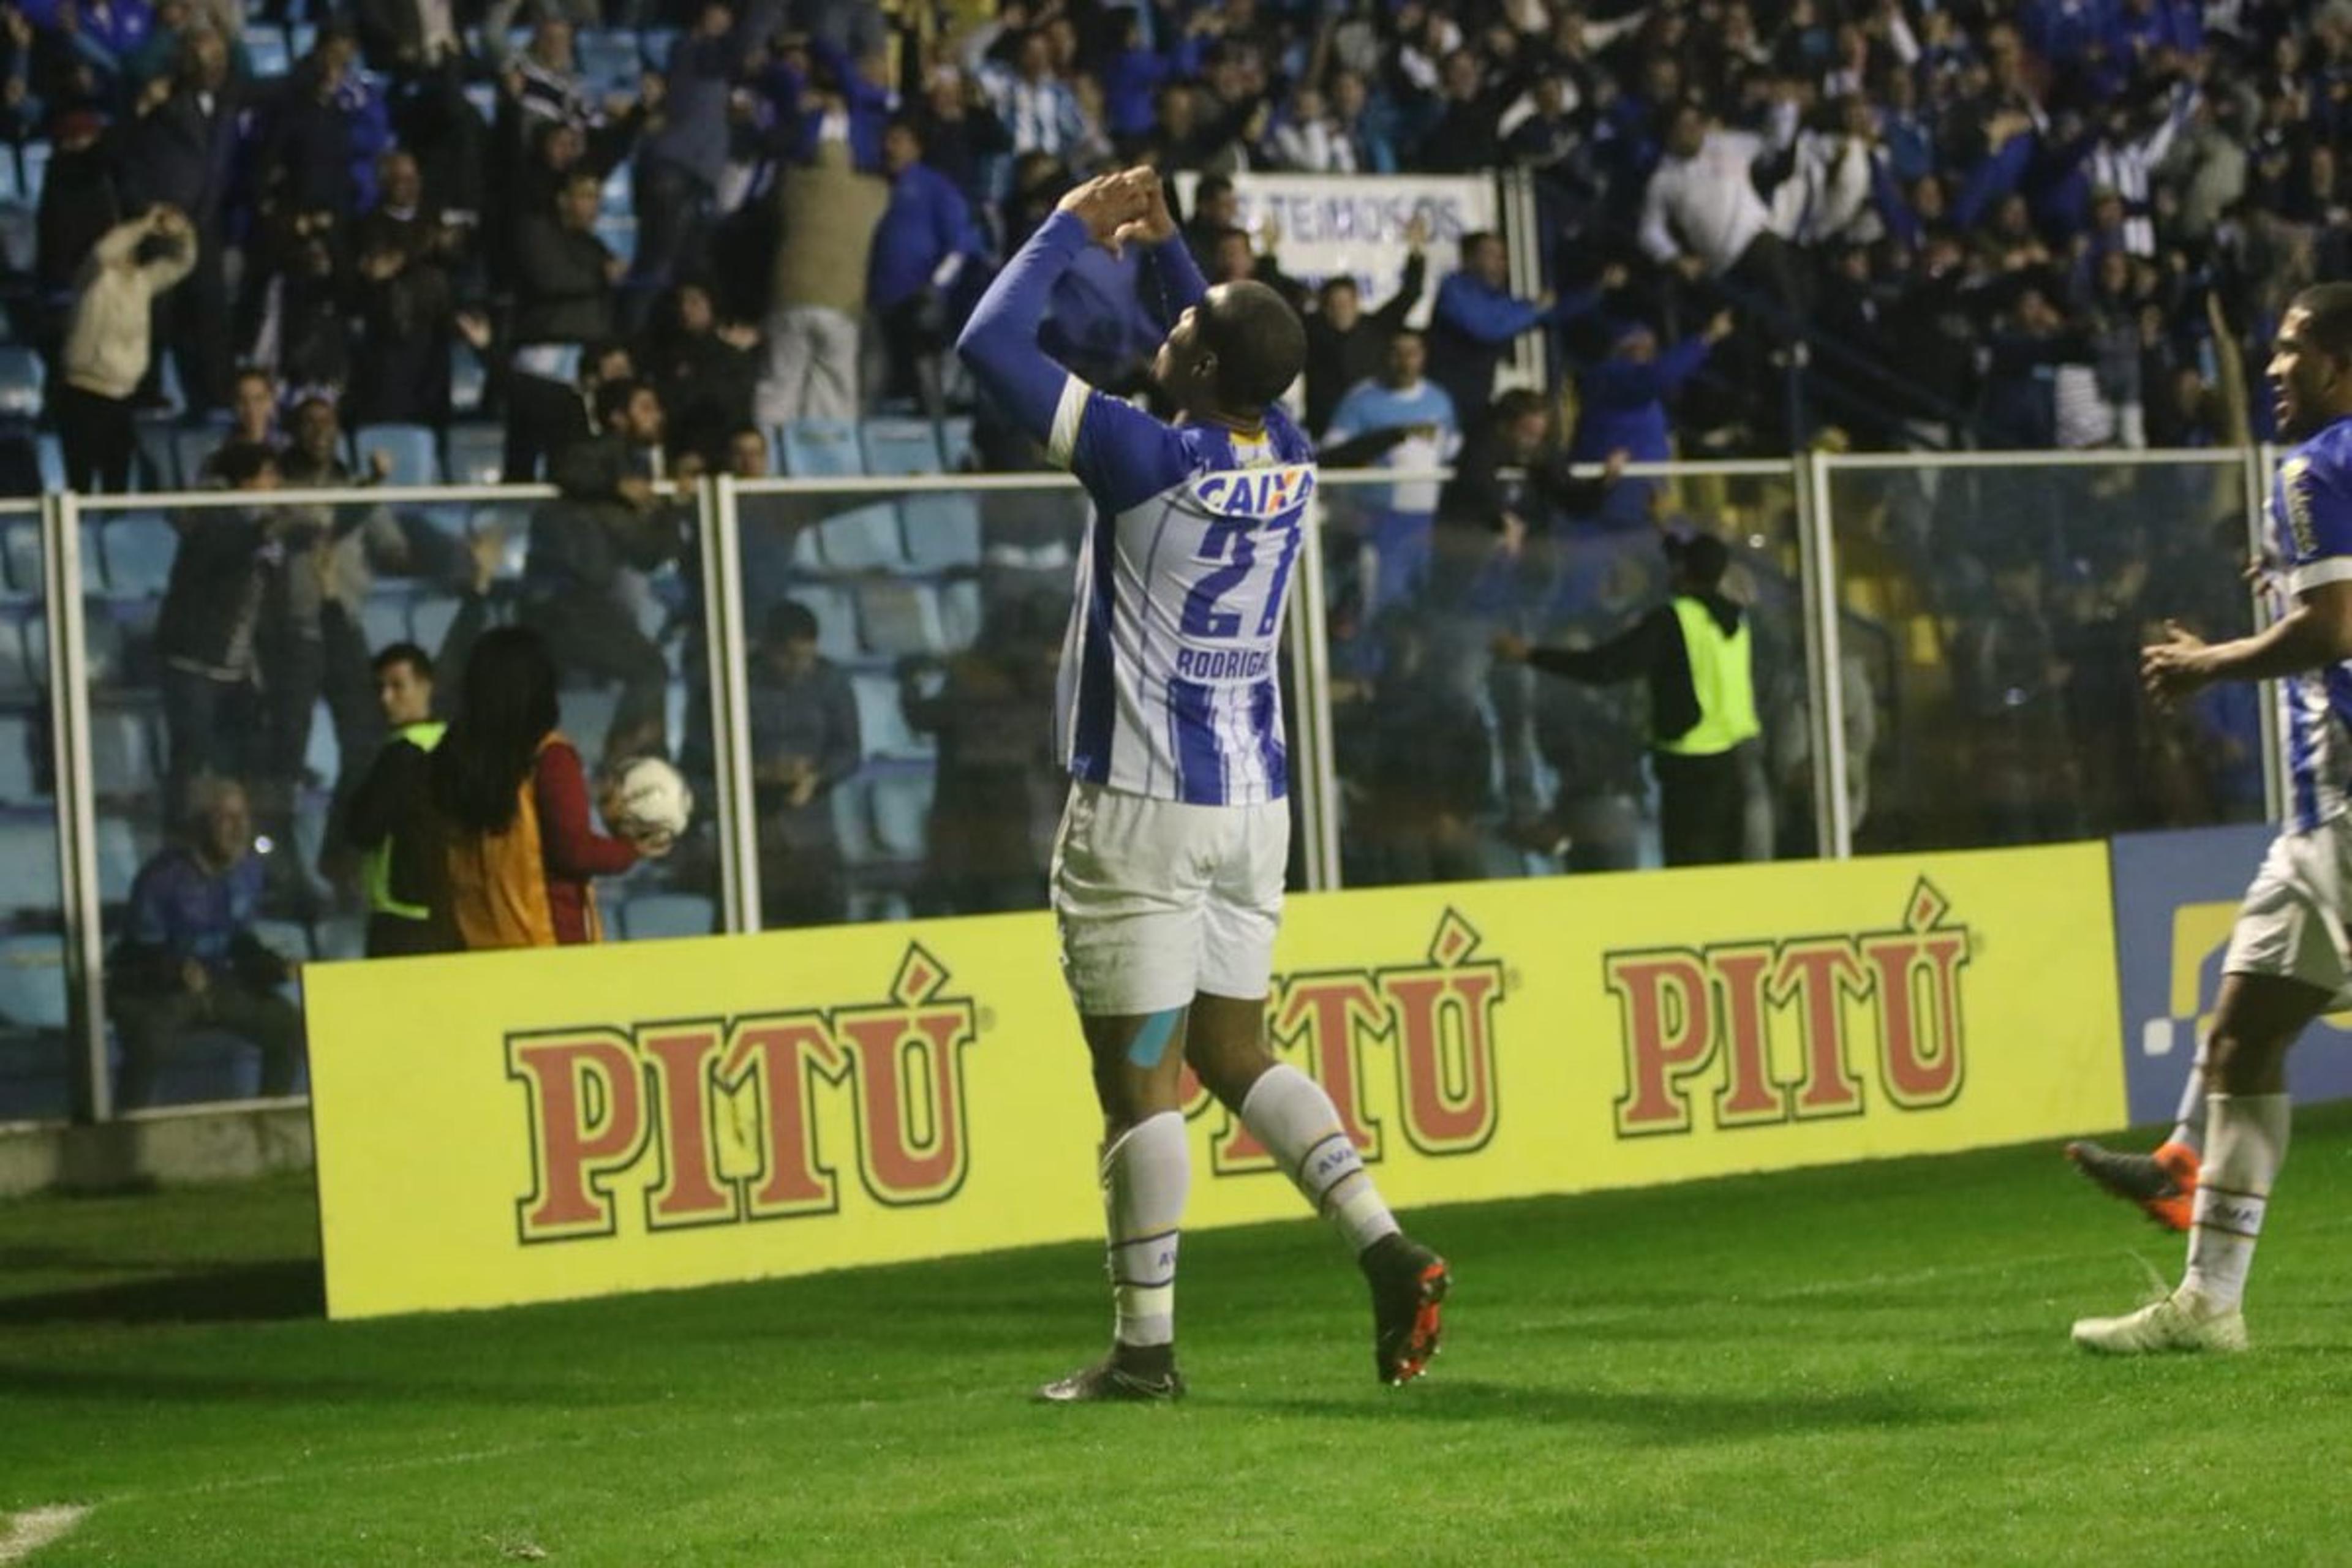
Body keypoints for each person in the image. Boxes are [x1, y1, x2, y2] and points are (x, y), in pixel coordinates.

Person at [956, 165, 1448, 1403]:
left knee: (1140, 1080)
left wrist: (1072, 226)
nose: (1158, 328)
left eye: (1175, 326)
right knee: (1231, 1045)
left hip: (1140, 807)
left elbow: (988, 339)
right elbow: (1237, 355)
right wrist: (1177, 255)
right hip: (1252, 807)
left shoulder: (1139, 458)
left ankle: (1144, 1352)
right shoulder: (1286, 454)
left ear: (1198, 371)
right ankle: (1387, 1246)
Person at [2068, 285, 2352, 1355]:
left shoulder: (2316, 466)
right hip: (2318, 829)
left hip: (2348, 813)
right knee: (2243, 1035)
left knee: (2249, 1035)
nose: (2273, 369)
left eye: (2292, 351)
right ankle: (2209, 1301)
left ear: (2338, 361)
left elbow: (2329, 632)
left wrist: (2206, 664)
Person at [1495, 531, 1762, 867]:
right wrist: (1661, 525)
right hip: (1733, 765)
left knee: (1692, 874)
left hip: (1691, 772)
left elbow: (1605, 668)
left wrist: (1529, 655)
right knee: (1727, 877)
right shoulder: (1735, 619)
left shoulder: (1673, 621)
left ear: (1681, 571)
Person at [423, 625, 667, 951]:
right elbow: (572, 851)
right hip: (545, 946)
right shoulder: (549, 757)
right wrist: (632, 850)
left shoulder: (450, 758)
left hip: (472, 946)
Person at [108, 777, 306, 1108]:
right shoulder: (163, 878)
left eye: (243, 817)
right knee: (149, 1038)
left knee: (287, 1024)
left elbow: (241, 942)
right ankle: (127, 1126)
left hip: (218, 985)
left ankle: (269, 1121)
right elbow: (140, 953)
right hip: (160, 990)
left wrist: (274, 967)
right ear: (201, 825)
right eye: (226, 818)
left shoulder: (248, 871)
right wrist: (176, 973)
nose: (239, 828)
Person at [56, 205, 195, 493]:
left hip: (122, 397)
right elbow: (102, 253)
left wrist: (182, 231)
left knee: (117, 481)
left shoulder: (142, 282)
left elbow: (183, 263)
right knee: (79, 481)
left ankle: (114, 533)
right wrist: (144, 225)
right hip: (83, 393)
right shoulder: (91, 279)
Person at [748, 601, 861, 928]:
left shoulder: (831, 682)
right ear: (768, 648)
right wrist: (759, 773)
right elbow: (701, 757)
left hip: (816, 839)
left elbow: (850, 751)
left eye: (807, 658)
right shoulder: (735, 684)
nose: (800, 667)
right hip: (758, 839)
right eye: (790, 658)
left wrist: (816, 777)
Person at [343, 643, 452, 957]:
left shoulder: (403, 754)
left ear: (425, 686)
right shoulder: (452, 745)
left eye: (397, 686)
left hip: (401, 916)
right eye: (381, 688)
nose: (386, 698)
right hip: (446, 910)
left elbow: (362, 829)